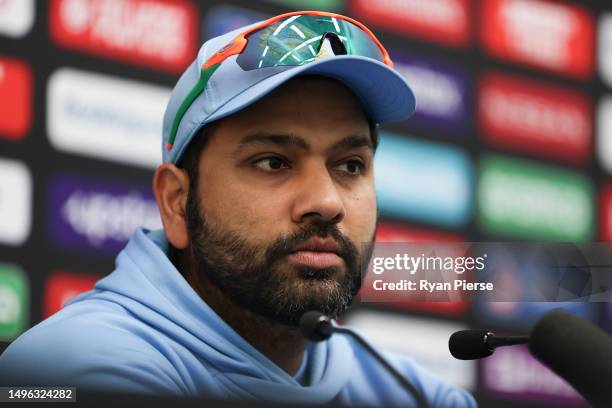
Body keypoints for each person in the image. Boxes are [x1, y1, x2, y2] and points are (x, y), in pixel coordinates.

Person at [0, 11, 476, 407]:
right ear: (177, 202)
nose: (327, 202)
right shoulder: (75, 365)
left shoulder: (414, 393)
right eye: (273, 161)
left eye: (350, 165)